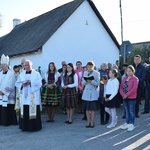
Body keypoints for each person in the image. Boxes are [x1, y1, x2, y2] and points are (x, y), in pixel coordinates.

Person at [15, 60, 42, 131]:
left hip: (32, 96)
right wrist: (22, 84)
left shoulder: (36, 74)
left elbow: (39, 83)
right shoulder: (21, 74)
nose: (27, 66)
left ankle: (34, 127)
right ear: (24, 66)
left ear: (31, 66)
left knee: (32, 110)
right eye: (25, 65)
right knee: (25, 110)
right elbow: (17, 83)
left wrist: (31, 83)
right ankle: (25, 127)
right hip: (24, 96)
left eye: (28, 65)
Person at [120, 65, 139, 131]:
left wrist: (127, 95)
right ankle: (126, 123)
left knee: (131, 111)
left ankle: (132, 124)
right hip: (124, 97)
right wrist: (123, 94)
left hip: (131, 97)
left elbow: (134, 89)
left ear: (133, 71)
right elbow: (121, 87)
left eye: (130, 71)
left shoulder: (135, 79)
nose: (128, 72)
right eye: (127, 71)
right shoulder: (124, 78)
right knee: (127, 111)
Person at [0, 54, 17, 126]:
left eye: (2, 65)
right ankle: (2, 122)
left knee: (9, 108)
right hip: (0, 94)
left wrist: (4, 92)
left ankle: (9, 122)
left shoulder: (11, 74)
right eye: (1, 65)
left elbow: (11, 84)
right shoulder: (0, 73)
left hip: (7, 94)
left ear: (6, 65)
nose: (1, 66)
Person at [82, 61, 100, 128]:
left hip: (93, 92)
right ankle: (88, 121)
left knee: (92, 109)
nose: (89, 68)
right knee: (87, 109)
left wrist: (91, 81)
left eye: (90, 66)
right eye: (88, 66)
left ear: (93, 67)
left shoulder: (96, 73)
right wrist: (86, 81)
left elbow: (98, 83)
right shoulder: (85, 73)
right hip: (86, 92)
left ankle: (92, 122)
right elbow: (82, 82)